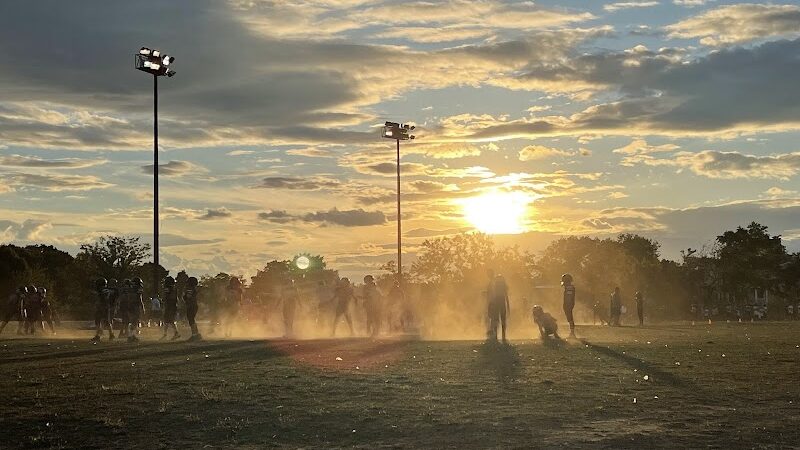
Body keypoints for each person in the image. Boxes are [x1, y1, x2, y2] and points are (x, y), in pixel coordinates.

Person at [487, 273, 510, 342]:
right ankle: (502, 336)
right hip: (500, 304)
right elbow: (506, 297)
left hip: (497, 304)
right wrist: (508, 306)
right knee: (501, 320)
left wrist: (490, 305)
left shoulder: (496, 287)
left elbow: (493, 297)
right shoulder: (502, 287)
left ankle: (497, 336)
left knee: (497, 320)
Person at [161, 276, 180, 340]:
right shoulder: (175, 288)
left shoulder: (168, 288)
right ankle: (165, 334)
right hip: (173, 306)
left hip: (170, 306)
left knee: (169, 320)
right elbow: (176, 299)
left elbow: (165, 298)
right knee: (168, 320)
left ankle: (174, 333)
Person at [184, 276, 202, 341]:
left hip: (191, 305)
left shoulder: (190, 288)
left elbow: (188, 296)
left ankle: (194, 335)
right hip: (194, 305)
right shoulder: (195, 288)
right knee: (192, 320)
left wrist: (184, 297)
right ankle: (196, 334)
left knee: (191, 320)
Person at [561, 273, 577, 338]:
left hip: (568, 304)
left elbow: (569, 297)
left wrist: (567, 305)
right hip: (568, 304)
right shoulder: (569, 287)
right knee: (569, 317)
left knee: (570, 317)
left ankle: (572, 332)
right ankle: (572, 331)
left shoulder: (570, 288)